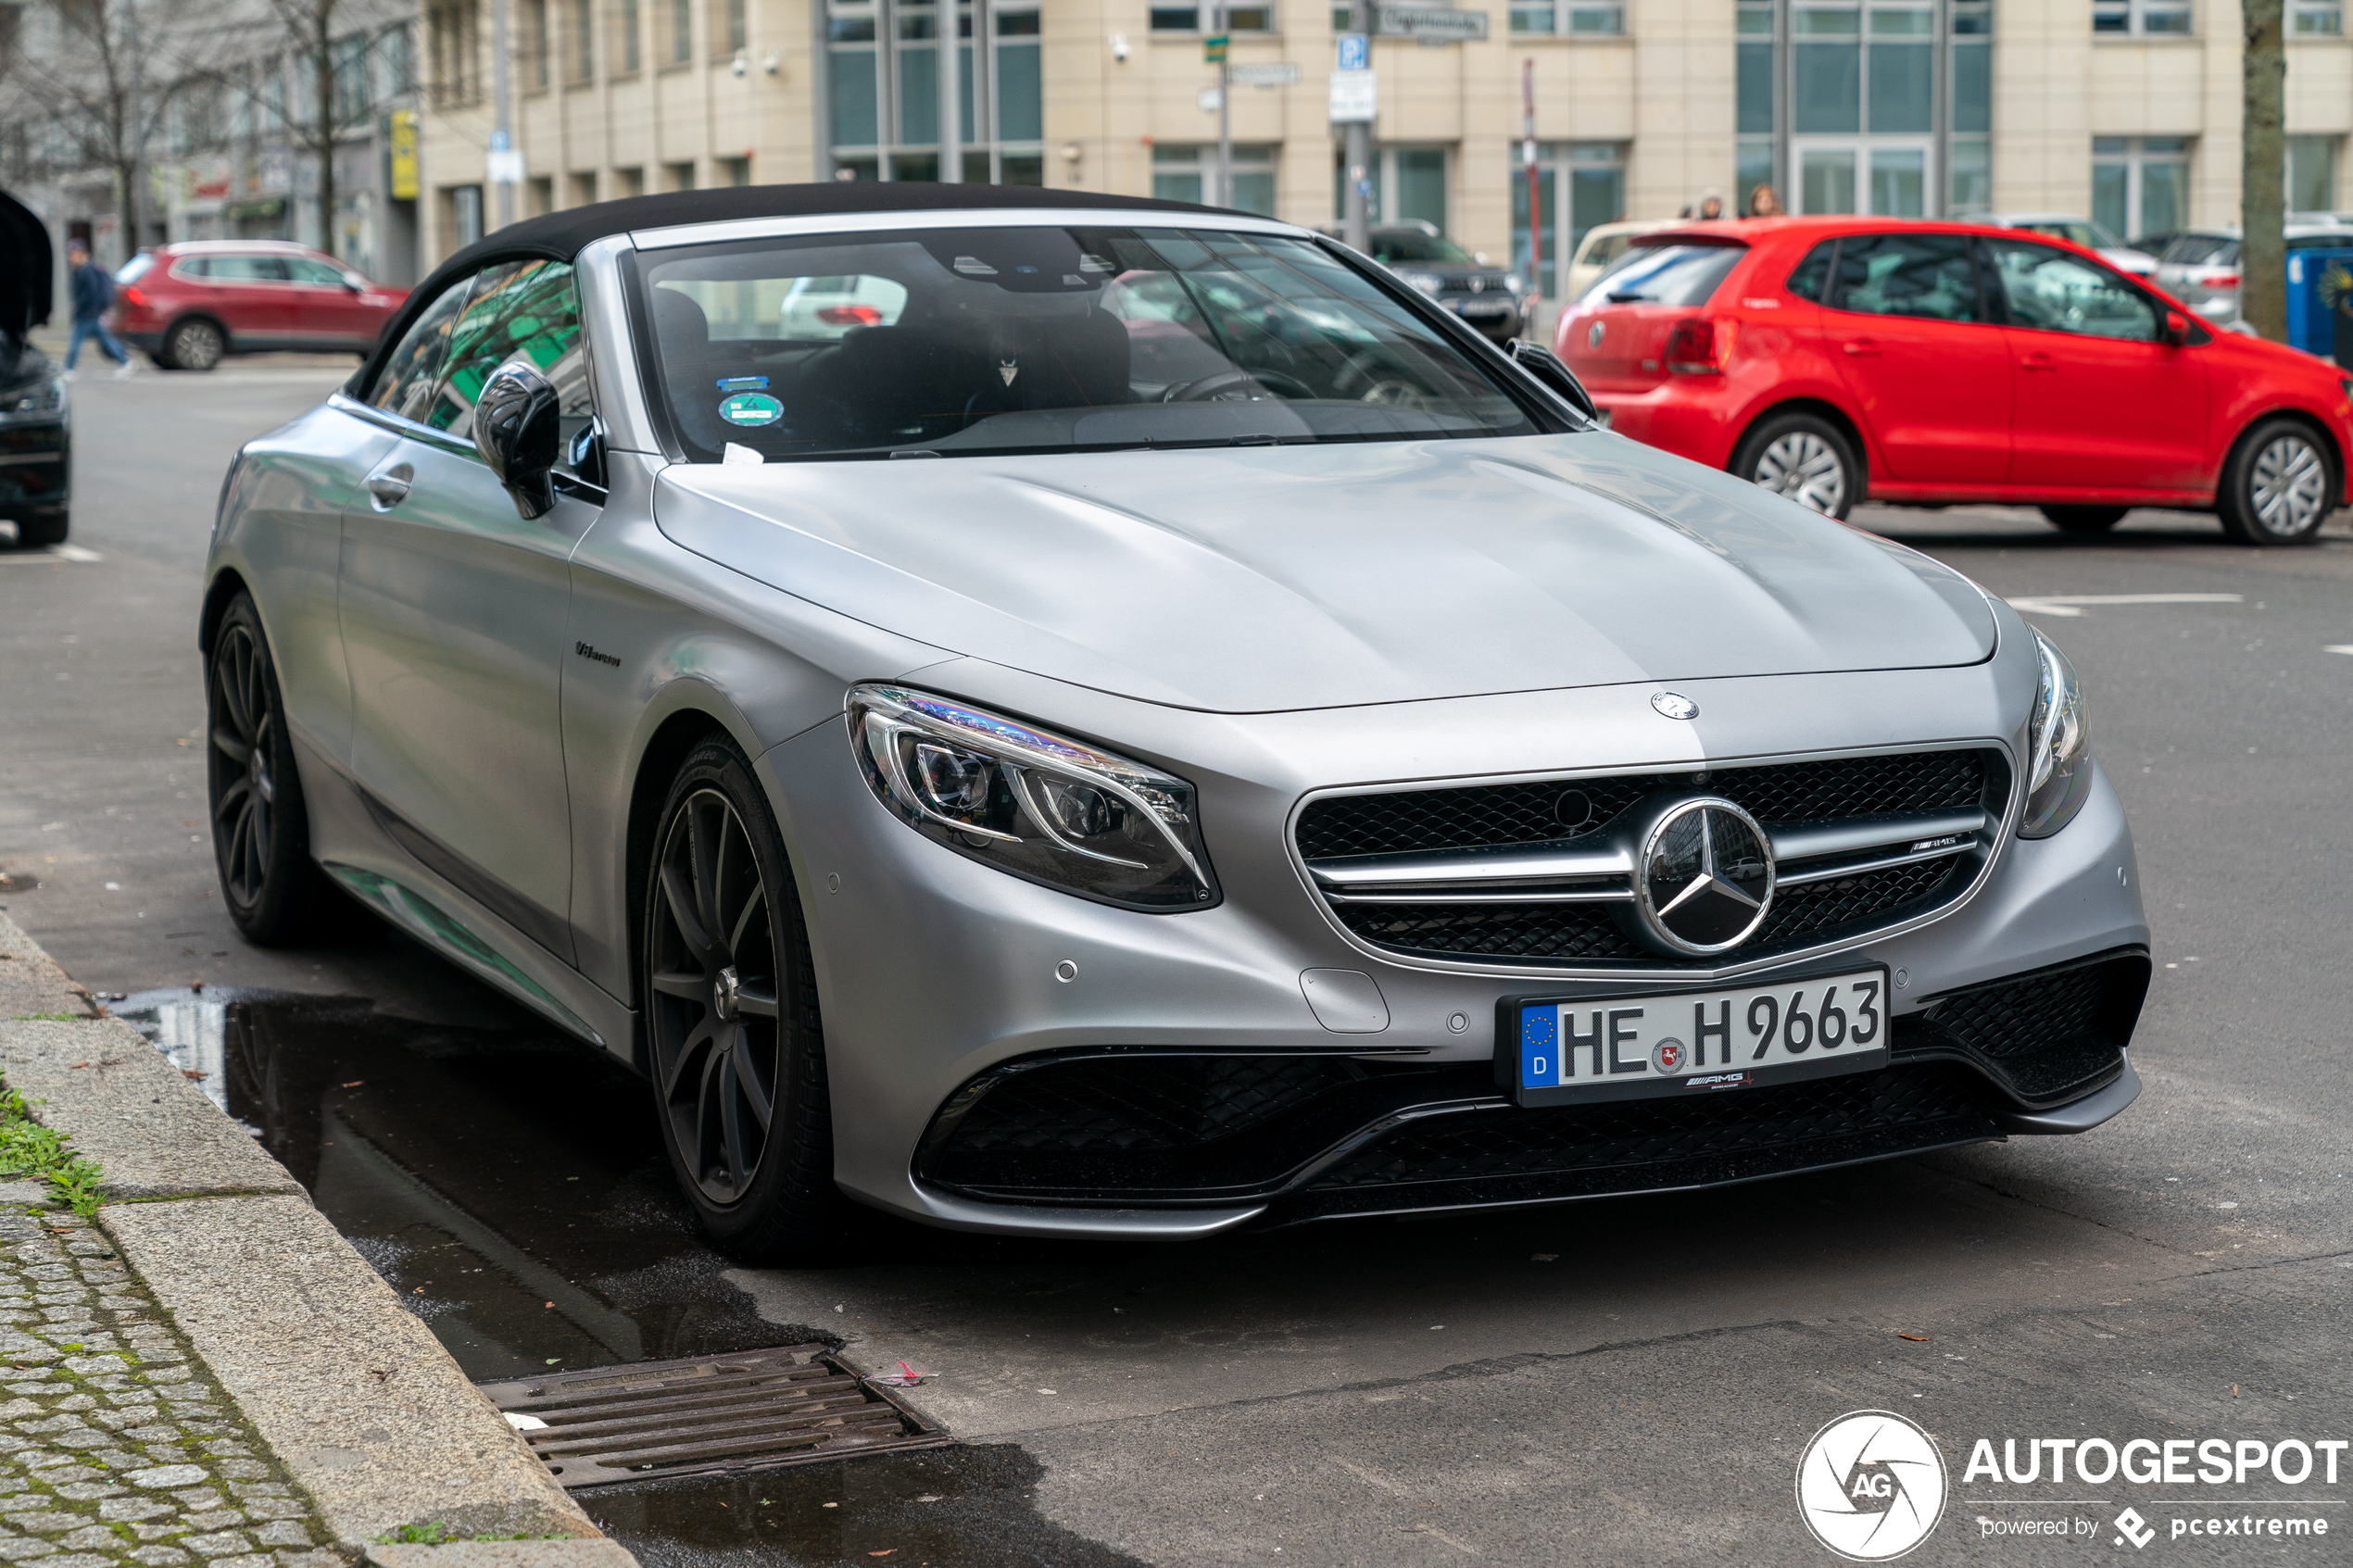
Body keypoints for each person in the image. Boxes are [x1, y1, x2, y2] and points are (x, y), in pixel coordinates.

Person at [64, 239, 135, 380]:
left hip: (87, 313)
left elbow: (91, 291)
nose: (71, 257)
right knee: (105, 338)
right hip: (90, 312)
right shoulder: (81, 269)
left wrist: (79, 304)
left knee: (76, 341)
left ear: (80, 253)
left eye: (73, 253)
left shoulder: (87, 270)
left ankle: (69, 368)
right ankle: (125, 361)